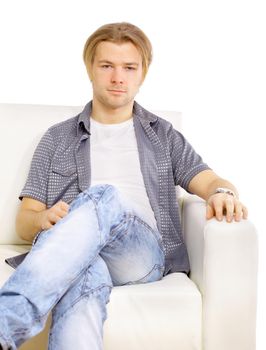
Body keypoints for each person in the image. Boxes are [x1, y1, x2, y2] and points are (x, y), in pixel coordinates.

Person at [0, 22, 248, 350]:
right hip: (76, 253)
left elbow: (211, 181)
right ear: (90, 68)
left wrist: (224, 192)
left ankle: (6, 323)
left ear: (142, 73)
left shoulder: (163, 135)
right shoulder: (56, 139)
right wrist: (43, 219)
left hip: (139, 255)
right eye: (107, 66)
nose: (118, 78)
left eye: (129, 67)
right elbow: (25, 218)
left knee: (104, 197)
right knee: (85, 277)